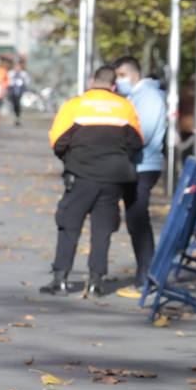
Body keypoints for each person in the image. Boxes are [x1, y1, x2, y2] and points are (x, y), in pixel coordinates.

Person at [39, 66, 143, 298]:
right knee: (103, 229)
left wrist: (71, 160)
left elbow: (57, 141)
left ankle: (60, 279)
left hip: (81, 175)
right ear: (114, 85)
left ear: (91, 81)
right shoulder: (125, 107)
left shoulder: (74, 105)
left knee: (69, 224)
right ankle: (96, 282)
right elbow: (136, 142)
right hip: (114, 177)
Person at [112, 57, 166, 290]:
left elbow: (141, 132)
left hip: (144, 164)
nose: (118, 81)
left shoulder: (149, 97)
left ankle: (147, 270)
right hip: (138, 164)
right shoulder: (136, 96)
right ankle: (145, 269)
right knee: (135, 218)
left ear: (132, 74)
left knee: (137, 218)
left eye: (120, 76)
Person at [7, 60, 30, 126]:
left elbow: (28, 81)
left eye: (18, 67)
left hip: (20, 92)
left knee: (19, 105)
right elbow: (7, 81)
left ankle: (18, 117)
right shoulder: (10, 73)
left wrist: (23, 83)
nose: (17, 68)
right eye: (16, 67)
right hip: (12, 91)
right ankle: (15, 116)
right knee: (14, 104)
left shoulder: (23, 74)